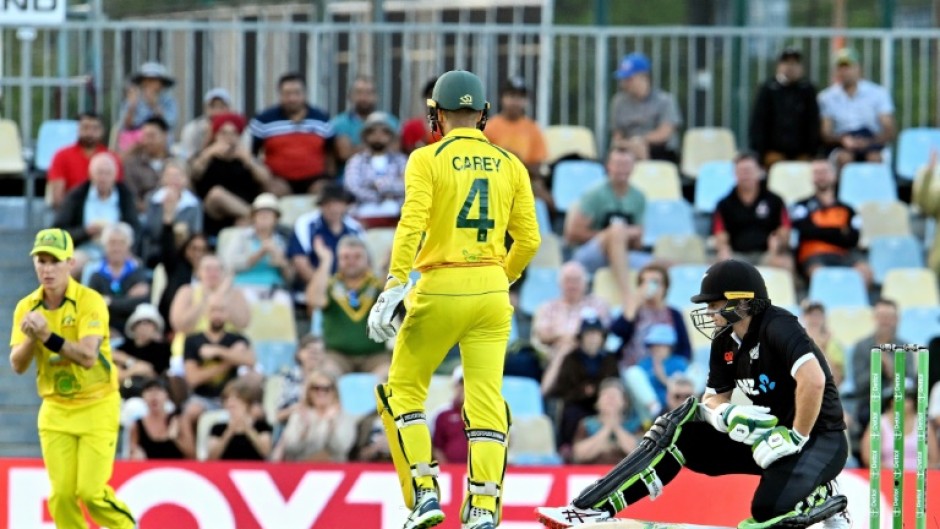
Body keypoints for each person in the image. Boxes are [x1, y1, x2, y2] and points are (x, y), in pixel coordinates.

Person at [536, 259, 851, 529]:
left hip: (817, 440)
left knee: (766, 512)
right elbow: (711, 397)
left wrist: (796, 436)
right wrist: (726, 413)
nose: (709, 312)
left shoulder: (779, 325)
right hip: (769, 438)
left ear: (742, 301)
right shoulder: (725, 339)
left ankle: (819, 492)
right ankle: (594, 506)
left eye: (714, 305)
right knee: (684, 426)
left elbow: (814, 381)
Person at [366, 70, 540, 529]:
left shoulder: (426, 159)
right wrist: (502, 275)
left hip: (440, 284)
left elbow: (412, 223)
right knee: (485, 401)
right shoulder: (511, 163)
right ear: (483, 114)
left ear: (436, 115)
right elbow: (530, 239)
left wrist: (394, 283)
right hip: (491, 291)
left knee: (402, 391)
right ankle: (483, 506)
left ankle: (424, 493)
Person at [9, 228, 136, 529]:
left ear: (70, 264)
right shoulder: (27, 307)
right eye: (42, 261)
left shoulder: (90, 301)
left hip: (97, 404)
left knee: (91, 493)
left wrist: (46, 335)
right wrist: (30, 339)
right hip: (55, 409)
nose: (47, 269)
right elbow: (17, 364)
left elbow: (88, 356)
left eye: (55, 261)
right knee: (63, 495)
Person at [564, 149, 646, 296]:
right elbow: (572, 235)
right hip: (590, 254)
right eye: (618, 164)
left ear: (633, 167)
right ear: (609, 166)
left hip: (623, 255)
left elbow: (637, 245)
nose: (621, 169)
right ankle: (627, 295)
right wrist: (611, 235)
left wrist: (631, 236)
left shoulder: (638, 197)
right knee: (617, 230)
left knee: (667, 265)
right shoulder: (595, 194)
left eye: (626, 164)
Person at [307, 235, 388, 373]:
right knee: (326, 374)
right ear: (338, 260)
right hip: (336, 356)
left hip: (376, 356)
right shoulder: (331, 285)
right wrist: (326, 261)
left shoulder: (376, 283)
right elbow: (314, 300)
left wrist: (386, 264)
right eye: (345, 257)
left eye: (357, 257)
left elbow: (396, 296)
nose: (351, 262)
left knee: (388, 378)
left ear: (367, 260)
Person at [543, 313, 620, 451]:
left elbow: (613, 382)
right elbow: (563, 387)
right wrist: (583, 392)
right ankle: (569, 447)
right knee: (572, 414)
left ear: (602, 337)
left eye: (596, 334)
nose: (592, 339)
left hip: (603, 402)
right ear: (581, 337)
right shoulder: (571, 358)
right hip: (577, 404)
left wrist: (597, 392)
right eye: (589, 334)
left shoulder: (609, 358)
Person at [250, 72, 336, 195]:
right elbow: (252, 155)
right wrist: (265, 178)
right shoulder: (263, 120)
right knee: (273, 190)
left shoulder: (321, 119)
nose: (292, 98)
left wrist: (329, 178)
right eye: (287, 94)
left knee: (325, 192)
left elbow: (330, 153)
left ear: (305, 94)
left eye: (297, 93)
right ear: (280, 95)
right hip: (278, 179)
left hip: (315, 179)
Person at [180, 297, 255, 434]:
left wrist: (217, 351)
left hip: (233, 397)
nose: (217, 315)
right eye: (213, 310)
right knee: (189, 414)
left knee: (256, 412)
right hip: (202, 397)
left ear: (228, 314)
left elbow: (251, 360)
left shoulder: (238, 339)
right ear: (205, 313)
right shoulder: (192, 340)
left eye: (222, 310)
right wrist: (231, 358)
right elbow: (193, 379)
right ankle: (193, 455)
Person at [191, 112, 272, 236]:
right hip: (213, 211)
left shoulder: (245, 157)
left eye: (233, 133)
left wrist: (248, 160)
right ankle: (256, 217)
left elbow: (266, 180)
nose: (228, 137)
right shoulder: (207, 156)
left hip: (240, 210)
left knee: (242, 225)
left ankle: (252, 219)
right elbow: (193, 174)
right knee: (216, 194)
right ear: (216, 135)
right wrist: (207, 154)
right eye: (223, 133)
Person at [713, 152, 792, 271]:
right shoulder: (724, 204)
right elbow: (720, 237)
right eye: (741, 171)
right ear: (734, 174)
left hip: (767, 254)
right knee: (721, 264)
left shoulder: (775, 200)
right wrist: (724, 251)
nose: (746, 175)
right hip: (737, 255)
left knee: (784, 263)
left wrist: (778, 246)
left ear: (759, 171)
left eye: (749, 170)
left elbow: (785, 231)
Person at [791, 159, 867, 282]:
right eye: (817, 172)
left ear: (834, 175)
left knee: (865, 272)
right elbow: (805, 231)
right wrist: (838, 231)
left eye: (825, 172)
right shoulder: (801, 206)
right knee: (819, 274)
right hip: (813, 255)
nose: (821, 176)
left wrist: (818, 230)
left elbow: (853, 239)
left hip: (843, 255)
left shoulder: (848, 209)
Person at [818, 48, 895, 166]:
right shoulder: (826, 97)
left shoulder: (878, 93)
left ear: (858, 68)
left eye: (848, 67)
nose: (844, 71)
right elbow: (826, 132)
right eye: (840, 67)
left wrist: (869, 142)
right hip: (842, 142)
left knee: (874, 158)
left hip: (871, 139)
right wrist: (842, 140)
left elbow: (889, 129)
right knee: (844, 159)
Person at [749, 48, 821, 168]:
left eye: (795, 63)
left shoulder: (808, 90)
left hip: (802, 154)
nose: (790, 67)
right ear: (778, 66)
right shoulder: (768, 89)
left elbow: (813, 123)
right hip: (773, 154)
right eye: (786, 63)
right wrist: (762, 153)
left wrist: (811, 152)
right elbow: (758, 123)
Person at [609, 263, 692, 368]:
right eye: (643, 282)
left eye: (655, 282)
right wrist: (634, 305)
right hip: (633, 370)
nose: (648, 286)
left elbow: (685, 350)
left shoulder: (674, 314)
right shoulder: (633, 311)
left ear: (665, 287)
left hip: (665, 370)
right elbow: (615, 337)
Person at [53, 152, 139, 252]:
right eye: (99, 173)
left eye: (108, 173)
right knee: (74, 263)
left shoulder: (125, 195)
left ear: (115, 176)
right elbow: (59, 231)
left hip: (118, 250)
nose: (103, 178)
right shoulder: (76, 195)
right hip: (84, 248)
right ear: (90, 174)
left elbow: (135, 228)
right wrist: (85, 231)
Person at [168, 254, 251, 357]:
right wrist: (205, 299)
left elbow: (243, 323)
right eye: (208, 269)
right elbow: (179, 325)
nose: (213, 273)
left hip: (228, 350)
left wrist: (221, 295)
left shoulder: (235, 293)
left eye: (217, 269)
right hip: (191, 351)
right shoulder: (187, 291)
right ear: (198, 272)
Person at [850, 298, 911, 430]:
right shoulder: (861, 346)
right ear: (875, 318)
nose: (885, 321)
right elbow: (859, 385)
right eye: (882, 317)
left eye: (889, 317)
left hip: (899, 402)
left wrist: (892, 369)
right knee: (868, 414)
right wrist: (878, 367)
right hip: (869, 402)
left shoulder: (905, 347)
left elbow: (911, 382)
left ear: (896, 319)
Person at [531, 261, 610, 363]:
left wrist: (564, 338)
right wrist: (571, 337)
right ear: (560, 284)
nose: (572, 285)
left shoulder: (597, 305)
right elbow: (542, 335)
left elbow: (602, 334)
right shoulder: (548, 307)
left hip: (588, 358)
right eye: (568, 280)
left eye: (576, 280)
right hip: (552, 357)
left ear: (585, 283)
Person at [609, 52, 682, 162]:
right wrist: (626, 144)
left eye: (628, 79)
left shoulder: (665, 101)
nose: (623, 84)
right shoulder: (618, 102)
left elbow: (664, 133)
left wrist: (640, 140)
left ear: (643, 77)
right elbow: (617, 134)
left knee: (639, 150)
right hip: (628, 148)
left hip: (660, 150)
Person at [271, 370, 357, 462]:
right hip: (301, 469)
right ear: (309, 391)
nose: (321, 392)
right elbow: (291, 448)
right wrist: (304, 431)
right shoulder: (299, 414)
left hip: (334, 470)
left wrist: (331, 426)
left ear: (334, 392)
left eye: (326, 388)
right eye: (316, 388)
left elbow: (342, 448)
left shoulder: (344, 416)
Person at [288, 182, 364, 281]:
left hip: (349, 288)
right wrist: (326, 288)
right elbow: (299, 261)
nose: (333, 208)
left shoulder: (355, 229)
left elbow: (364, 263)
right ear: (321, 205)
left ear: (346, 205)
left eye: (338, 203)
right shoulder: (305, 224)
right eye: (329, 203)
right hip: (311, 286)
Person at [343, 111, 408, 224]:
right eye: (372, 132)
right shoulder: (356, 160)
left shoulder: (401, 160)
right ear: (366, 136)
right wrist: (379, 197)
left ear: (390, 136)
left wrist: (379, 185)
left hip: (397, 215)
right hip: (363, 212)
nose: (378, 136)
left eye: (384, 132)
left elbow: (408, 186)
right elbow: (352, 187)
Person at [87, 222, 150, 336]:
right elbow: (92, 306)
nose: (116, 248)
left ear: (128, 246)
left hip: (133, 327)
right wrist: (127, 298)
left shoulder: (137, 271)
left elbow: (141, 302)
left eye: (121, 243)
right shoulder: (96, 274)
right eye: (112, 243)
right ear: (104, 245)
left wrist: (109, 301)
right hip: (105, 328)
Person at [47, 112, 122, 209]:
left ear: (102, 131)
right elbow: (57, 198)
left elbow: (117, 192)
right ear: (77, 129)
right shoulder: (62, 156)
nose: (90, 133)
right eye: (85, 128)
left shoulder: (111, 159)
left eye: (95, 129)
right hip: (71, 215)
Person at [860, 379, 939, 469]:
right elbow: (868, 457)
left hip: (919, 478)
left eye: (908, 397)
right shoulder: (878, 423)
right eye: (898, 396)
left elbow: (935, 459)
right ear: (890, 400)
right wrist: (894, 474)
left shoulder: (923, 423)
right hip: (886, 477)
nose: (904, 401)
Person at [219, 193, 293, 289]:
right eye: (261, 213)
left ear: (276, 219)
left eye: (269, 214)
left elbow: (290, 278)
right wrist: (260, 253)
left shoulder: (282, 240)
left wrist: (282, 263)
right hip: (243, 287)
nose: (264, 216)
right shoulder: (241, 237)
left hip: (274, 288)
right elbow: (229, 265)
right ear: (253, 217)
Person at [140, 158, 204, 267]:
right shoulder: (152, 199)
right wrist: (167, 216)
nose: (174, 180)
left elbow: (196, 232)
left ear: (186, 179)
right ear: (163, 179)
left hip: (184, 255)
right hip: (156, 252)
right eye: (170, 176)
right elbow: (152, 232)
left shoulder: (194, 204)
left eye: (178, 176)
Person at [331, 75, 400, 167]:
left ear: (376, 96)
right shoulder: (339, 123)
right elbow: (345, 154)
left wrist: (356, 148)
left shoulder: (391, 121)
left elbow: (395, 151)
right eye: (359, 92)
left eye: (369, 93)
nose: (364, 97)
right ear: (350, 96)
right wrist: (379, 145)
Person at [570, 378, 642, 465]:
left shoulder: (634, 425)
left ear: (624, 402)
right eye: (605, 395)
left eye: (615, 395)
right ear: (597, 403)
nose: (610, 399)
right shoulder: (587, 424)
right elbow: (579, 455)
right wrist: (607, 428)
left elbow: (639, 453)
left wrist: (616, 428)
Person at [274, 335, 342, 425]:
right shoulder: (288, 377)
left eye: (318, 351)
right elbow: (278, 415)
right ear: (299, 353)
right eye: (310, 350)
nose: (314, 354)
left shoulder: (329, 379)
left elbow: (337, 409)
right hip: (292, 425)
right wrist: (296, 409)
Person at [113, 303, 172, 398]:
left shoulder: (163, 349)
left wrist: (128, 361)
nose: (144, 327)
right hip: (124, 393)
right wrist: (136, 368)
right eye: (140, 322)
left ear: (155, 327)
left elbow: (154, 374)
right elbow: (116, 375)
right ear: (133, 326)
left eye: (149, 323)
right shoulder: (123, 347)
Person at [206, 379, 272, 461]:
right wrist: (229, 432)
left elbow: (266, 452)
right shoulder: (218, 428)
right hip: (225, 470)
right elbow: (211, 457)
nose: (231, 403)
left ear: (246, 403)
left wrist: (248, 429)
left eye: (236, 399)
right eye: (227, 399)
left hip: (254, 470)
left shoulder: (261, 426)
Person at [128, 378, 192, 459]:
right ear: (142, 397)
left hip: (177, 469)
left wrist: (176, 438)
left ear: (167, 395)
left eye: (158, 390)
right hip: (150, 470)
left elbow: (193, 455)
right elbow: (130, 454)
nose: (154, 395)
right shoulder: (137, 425)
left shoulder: (179, 420)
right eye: (149, 391)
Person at [118, 62, 178, 149]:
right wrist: (132, 107)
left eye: (154, 80)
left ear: (161, 84)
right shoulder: (133, 98)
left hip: (159, 137)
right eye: (146, 80)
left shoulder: (169, 101)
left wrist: (154, 105)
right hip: (136, 140)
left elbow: (170, 123)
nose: (149, 84)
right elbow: (125, 126)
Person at [123, 116, 172, 212]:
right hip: (144, 214)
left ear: (165, 136)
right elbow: (131, 197)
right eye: (145, 136)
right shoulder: (132, 164)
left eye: (152, 136)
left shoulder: (175, 162)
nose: (148, 141)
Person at [799, 301, 845, 388]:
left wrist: (822, 348)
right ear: (804, 317)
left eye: (818, 315)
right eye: (811, 315)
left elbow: (836, 381)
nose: (814, 319)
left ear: (824, 319)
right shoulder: (795, 342)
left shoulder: (834, 344)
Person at [431, 366, 470, 464]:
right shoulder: (443, 414)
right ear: (454, 386)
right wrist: (447, 469)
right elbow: (436, 446)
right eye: (461, 384)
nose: (464, 389)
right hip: (451, 472)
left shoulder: (483, 414)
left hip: (478, 473)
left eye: (468, 385)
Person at [179, 87, 232, 159]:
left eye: (221, 106)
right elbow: (187, 160)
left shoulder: (237, 129)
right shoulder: (192, 129)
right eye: (213, 106)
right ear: (206, 109)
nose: (217, 111)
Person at [400, 78, 441, 154]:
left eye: (439, 95)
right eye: (431, 95)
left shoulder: (453, 128)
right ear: (425, 99)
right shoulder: (411, 127)